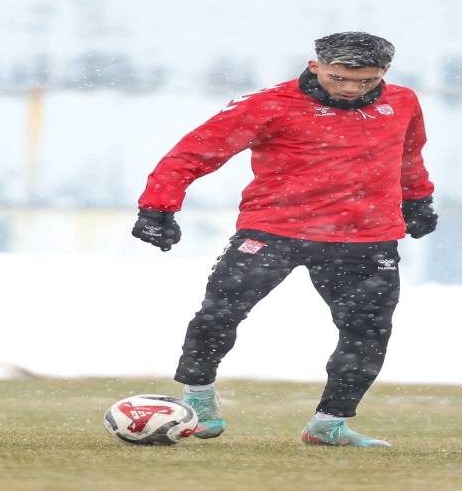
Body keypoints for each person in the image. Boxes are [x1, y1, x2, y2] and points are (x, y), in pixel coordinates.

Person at [132, 32, 437, 448]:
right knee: (219, 312)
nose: (351, 89)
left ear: (385, 72)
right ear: (315, 66)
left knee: (367, 332)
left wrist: (418, 200)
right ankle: (199, 400)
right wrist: (157, 208)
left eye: (366, 81)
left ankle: (329, 425)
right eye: (338, 78)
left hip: (366, 235)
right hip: (274, 229)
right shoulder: (268, 104)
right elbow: (194, 153)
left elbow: (409, 156)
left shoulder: (403, 102)